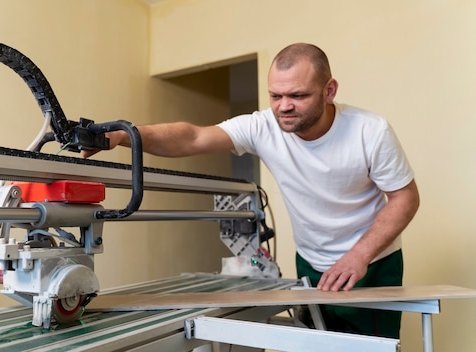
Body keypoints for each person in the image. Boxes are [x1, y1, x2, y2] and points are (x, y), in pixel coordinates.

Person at [84, 43, 419, 338]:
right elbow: (193, 136)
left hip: (372, 264)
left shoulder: (370, 131)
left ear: (329, 90)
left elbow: (406, 198)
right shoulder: (263, 126)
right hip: (311, 261)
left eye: (298, 96)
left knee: (371, 349)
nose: (284, 106)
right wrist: (123, 135)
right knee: (319, 343)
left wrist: (360, 256)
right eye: (276, 96)